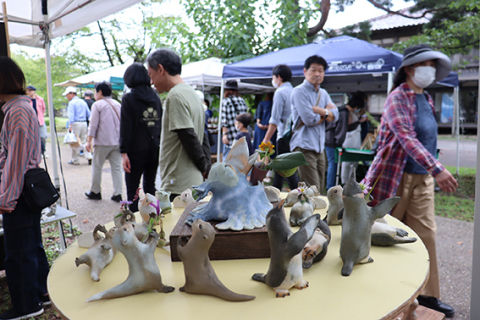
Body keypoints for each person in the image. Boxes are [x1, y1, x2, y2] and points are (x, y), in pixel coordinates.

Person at [362, 44, 457, 318]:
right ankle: (376, 291)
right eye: (425, 64)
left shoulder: (426, 98)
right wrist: (437, 167)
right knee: (384, 234)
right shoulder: (397, 98)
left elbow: (428, 138)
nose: (430, 70)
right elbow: (406, 136)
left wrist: (431, 170)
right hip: (394, 176)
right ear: (409, 69)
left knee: (426, 235)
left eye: (432, 65)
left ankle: (426, 295)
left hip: (422, 178)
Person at [0, 57, 50, 320]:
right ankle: (42, 292)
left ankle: (26, 306)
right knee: (31, 245)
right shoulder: (19, 107)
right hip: (24, 190)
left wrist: (6, 199)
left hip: (18, 193)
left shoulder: (17, 111)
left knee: (19, 252)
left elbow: (16, 162)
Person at [147, 48, 211, 202]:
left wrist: (204, 166)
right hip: (193, 180)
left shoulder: (175, 95)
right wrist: (206, 166)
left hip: (179, 182)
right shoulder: (193, 94)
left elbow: (187, 135)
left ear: (161, 69)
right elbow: (203, 136)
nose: (151, 82)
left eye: (151, 75)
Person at [290, 55, 338, 194]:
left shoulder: (323, 93)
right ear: (305, 71)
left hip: (319, 147)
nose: (317, 74)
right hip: (303, 146)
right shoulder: (299, 91)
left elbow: (336, 116)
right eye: (314, 70)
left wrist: (322, 111)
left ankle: (312, 214)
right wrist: (327, 113)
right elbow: (309, 119)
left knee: (319, 189)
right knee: (313, 191)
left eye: (321, 71)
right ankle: (308, 215)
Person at [120, 63, 162, 212]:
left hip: (135, 150)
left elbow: (126, 127)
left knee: (133, 190)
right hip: (154, 148)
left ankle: (134, 223)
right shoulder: (155, 97)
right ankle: (153, 219)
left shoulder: (129, 98)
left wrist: (124, 153)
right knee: (150, 186)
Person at [84, 82, 123, 202]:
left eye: (96, 91)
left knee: (97, 166)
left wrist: (88, 140)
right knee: (116, 168)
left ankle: (95, 191)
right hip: (117, 141)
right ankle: (118, 193)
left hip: (102, 141)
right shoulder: (118, 104)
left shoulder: (97, 105)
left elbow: (93, 124)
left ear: (100, 92)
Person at [262, 64, 299, 191]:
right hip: (294, 136)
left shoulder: (280, 92)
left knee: (287, 170)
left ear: (279, 77)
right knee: (281, 168)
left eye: (273, 77)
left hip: (283, 135)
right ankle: (275, 191)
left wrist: (266, 139)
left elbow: (275, 120)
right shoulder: (295, 90)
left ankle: (299, 195)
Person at [325, 92, 365, 189]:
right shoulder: (344, 113)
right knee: (333, 165)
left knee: (333, 164)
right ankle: (330, 187)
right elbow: (342, 129)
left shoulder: (341, 110)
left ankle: (331, 186)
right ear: (356, 106)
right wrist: (339, 143)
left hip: (329, 139)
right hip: (332, 142)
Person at [63, 86, 92, 165]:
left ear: (72, 94)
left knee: (74, 142)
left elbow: (71, 115)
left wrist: (70, 125)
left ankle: (75, 160)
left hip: (75, 123)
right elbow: (89, 114)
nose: (67, 96)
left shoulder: (72, 103)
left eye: (67, 94)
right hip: (84, 123)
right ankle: (89, 156)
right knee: (84, 140)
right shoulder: (83, 102)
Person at [221, 80, 248, 160]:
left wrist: (224, 134)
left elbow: (224, 121)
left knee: (227, 165)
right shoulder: (242, 101)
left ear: (229, 91)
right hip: (241, 139)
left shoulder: (225, 102)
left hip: (230, 139)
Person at [26, 85, 48, 157]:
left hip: (40, 121)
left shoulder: (40, 99)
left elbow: (43, 109)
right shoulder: (26, 100)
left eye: (30, 90)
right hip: (30, 121)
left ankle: (43, 151)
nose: (28, 92)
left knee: (43, 136)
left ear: (34, 91)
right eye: (27, 90)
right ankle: (34, 152)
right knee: (32, 137)